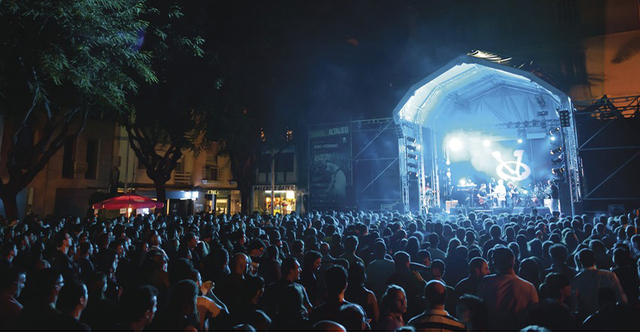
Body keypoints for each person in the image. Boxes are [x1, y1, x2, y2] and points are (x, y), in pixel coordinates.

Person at [477, 246, 539, 330]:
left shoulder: (486, 282)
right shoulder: (528, 287)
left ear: (496, 262)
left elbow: (479, 308)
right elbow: (535, 314)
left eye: (492, 260)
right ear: (513, 261)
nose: (491, 263)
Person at [571, 248, 626, 318]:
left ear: (580, 261)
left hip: (588, 318)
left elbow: (575, 304)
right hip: (610, 315)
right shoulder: (609, 275)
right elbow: (620, 295)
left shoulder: (576, 279)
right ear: (594, 259)